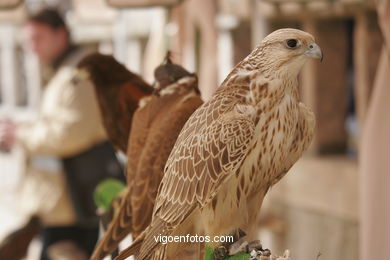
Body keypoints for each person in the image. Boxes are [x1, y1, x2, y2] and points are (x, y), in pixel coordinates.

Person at [0, 8, 122, 260]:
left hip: (72, 206)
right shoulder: (64, 71)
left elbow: (68, 134)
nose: (32, 48)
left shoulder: (77, 74)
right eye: (28, 41)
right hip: (60, 205)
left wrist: (19, 135)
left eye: (38, 39)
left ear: (61, 35)